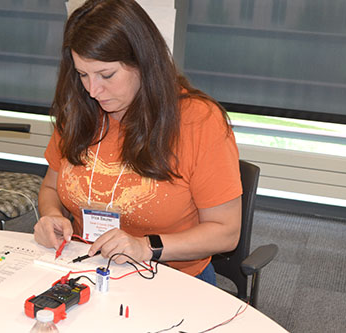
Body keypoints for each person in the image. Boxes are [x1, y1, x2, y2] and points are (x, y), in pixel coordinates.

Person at [34, 0, 242, 285]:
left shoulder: (198, 121)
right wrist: (51, 215)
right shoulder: (80, 109)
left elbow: (227, 232)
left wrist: (146, 247)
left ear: (142, 62)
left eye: (107, 75)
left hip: (171, 278)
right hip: (88, 268)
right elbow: (49, 187)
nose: (93, 90)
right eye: (83, 74)